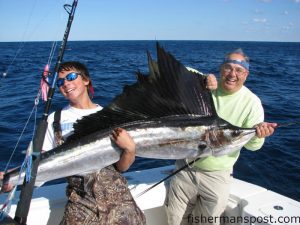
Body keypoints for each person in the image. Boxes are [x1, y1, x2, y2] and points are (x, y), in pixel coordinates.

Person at [1, 61, 146, 225]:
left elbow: (120, 168)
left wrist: (130, 149)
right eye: (61, 81)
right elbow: (36, 162)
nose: (66, 84)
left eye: (71, 77)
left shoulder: (110, 116)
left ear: (86, 80)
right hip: (81, 207)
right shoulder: (54, 120)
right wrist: (10, 179)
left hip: (120, 205)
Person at [165, 49, 277, 225]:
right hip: (185, 169)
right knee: (174, 220)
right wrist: (201, 80)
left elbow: (253, 146)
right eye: (228, 68)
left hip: (217, 176)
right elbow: (178, 73)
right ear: (221, 69)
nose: (232, 74)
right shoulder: (208, 86)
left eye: (239, 70)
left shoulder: (252, 103)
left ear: (246, 74)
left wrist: (258, 135)